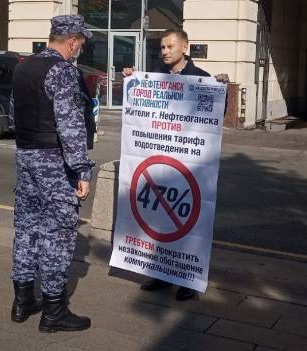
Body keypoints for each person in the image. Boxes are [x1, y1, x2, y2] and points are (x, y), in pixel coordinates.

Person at [123, 29, 229, 301]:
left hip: (190, 166)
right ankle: (160, 275)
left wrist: (221, 91)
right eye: (162, 47)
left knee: (190, 222)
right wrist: (130, 81)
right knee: (160, 220)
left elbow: (214, 117)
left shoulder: (202, 78)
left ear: (185, 47)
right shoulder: (153, 78)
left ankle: (187, 280)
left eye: (170, 46)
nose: (165, 51)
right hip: (161, 165)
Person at [9, 14, 96, 333]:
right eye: (80, 44)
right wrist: (82, 170)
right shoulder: (62, 71)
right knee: (58, 231)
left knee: (27, 227)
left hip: (26, 155)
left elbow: (14, 115)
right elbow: (70, 127)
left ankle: (22, 302)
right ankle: (54, 311)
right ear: (72, 40)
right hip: (53, 160)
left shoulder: (23, 66)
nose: (79, 50)